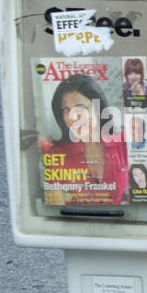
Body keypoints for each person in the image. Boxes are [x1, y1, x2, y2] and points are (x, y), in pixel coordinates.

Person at [40, 74, 129, 207]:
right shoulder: (56, 154)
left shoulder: (125, 143)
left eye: (80, 108)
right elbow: (56, 210)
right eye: (66, 109)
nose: (72, 117)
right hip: (79, 223)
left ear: (98, 110)